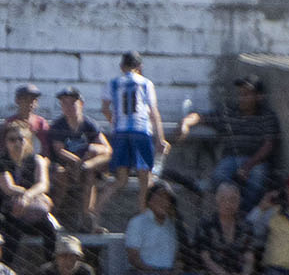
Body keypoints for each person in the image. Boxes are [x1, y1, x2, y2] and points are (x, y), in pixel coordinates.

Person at [174, 75, 280, 205]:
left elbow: (269, 144)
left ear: (259, 96)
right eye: (240, 94)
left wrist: (248, 165)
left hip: (256, 160)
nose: (242, 98)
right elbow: (200, 116)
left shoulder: (267, 116)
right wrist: (185, 123)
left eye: (246, 94)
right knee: (219, 176)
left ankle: (245, 214)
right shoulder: (229, 112)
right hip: (231, 158)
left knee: (258, 179)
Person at [124, 180, 206, 275]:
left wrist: (174, 272)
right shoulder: (137, 222)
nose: (162, 202)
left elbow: (179, 258)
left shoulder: (174, 226)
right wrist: (157, 272)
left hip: (169, 274)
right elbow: (133, 258)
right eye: (158, 197)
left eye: (166, 198)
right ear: (149, 200)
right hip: (142, 274)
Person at [98, 52, 168, 215]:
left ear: (122, 67)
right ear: (140, 67)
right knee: (145, 180)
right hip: (141, 131)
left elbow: (104, 108)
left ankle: (94, 211)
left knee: (120, 180)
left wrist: (114, 122)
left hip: (121, 133)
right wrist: (160, 138)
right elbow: (153, 112)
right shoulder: (146, 83)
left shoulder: (113, 83)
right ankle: (143, 215)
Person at [45, 87, 111, 233]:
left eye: (72, 103)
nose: (69, 107)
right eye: (64, 103)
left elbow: (107, 148)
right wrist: (78, 161)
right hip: (66, 166)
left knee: (90, 170)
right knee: (61, 176)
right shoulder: (58, 125)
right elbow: (59, 150)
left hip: (86, 167)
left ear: (81, 104)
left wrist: (90, 154)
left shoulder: (89, 124)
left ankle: (88, 220)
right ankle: (50, 216)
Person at [2, 119, 60, 263]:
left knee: (50, 229)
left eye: (21, 139)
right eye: (12, 139)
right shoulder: (2, 161)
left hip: (30, 210)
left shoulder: (37, 160)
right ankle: (4, 273)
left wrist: (27, 196)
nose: (17, 143)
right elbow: (8, 188)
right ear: (6, 142)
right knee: (11, 231)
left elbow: (43, 184)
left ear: (28, 140)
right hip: (8, 210)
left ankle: (50, 270)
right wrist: (32, 194)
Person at [9, 84, 50, 149]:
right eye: (25, 99)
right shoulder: (10, 123)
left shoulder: (41, 123)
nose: (29, 103)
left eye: (33, 100)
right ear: (17, 100)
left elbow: (45, 149)